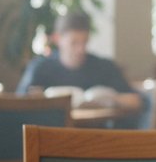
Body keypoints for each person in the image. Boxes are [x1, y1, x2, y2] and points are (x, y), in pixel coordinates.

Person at [15, 11, 143, 114]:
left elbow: (135, 101)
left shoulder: (104, 67)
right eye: (74, 43)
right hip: (50, 136)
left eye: (85, 42)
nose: (80, 49)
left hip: (97, 136)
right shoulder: (40, 67)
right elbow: (19, 103)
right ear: (58, 39)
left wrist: (111, 99)